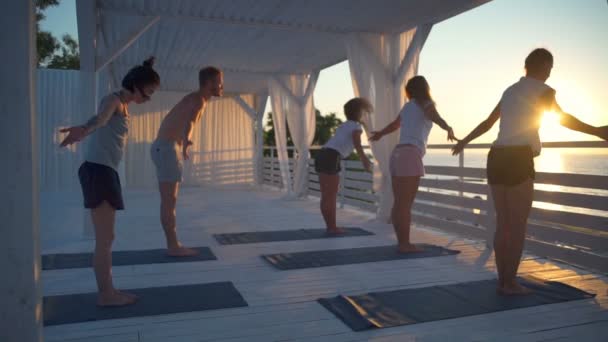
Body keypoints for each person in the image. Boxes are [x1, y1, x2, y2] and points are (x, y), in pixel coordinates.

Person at [452, 48, 608, 295]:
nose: (550, 72)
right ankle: (510, 284)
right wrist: (598, 131)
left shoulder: (511, 90)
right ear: (544, 65)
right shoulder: (543, 90)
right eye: (550, 67)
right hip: (517, 157)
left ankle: (503, 281)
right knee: (517, 225)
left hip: (496, 156)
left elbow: (488, 123)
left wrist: (463, 142)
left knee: (503, 223)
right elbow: (562, 119)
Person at [60, 57, 160, 306]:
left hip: (105, 171)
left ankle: (109, 290)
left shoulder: (123, 105)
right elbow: (101, 119)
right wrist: (82, 129)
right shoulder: (113, 99)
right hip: (99, 171)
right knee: (104, 239)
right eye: (147, 93)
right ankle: (106, 295)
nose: (147, 99)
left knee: (108, 237)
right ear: (134, 85)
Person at [369, 76, 457, 253]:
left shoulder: (408, 106)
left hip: (398, 153)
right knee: (405, 204)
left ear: (409, 90)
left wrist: (380, 133)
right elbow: (434, 116)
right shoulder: (426, 104)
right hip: (409, 154)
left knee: (399, 203)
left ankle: (402, 242)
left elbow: (395, 125)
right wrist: (447, 127)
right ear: (425, 89)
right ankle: (404, 244)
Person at [150, 66, 223, 256]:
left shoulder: (194, 98)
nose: (222, 85)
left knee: (168, 200)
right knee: (169, 201)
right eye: (219, 81)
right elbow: (189, 122)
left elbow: (180, 120)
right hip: (167, 148)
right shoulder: (198, 99)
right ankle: (173, 247)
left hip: (163, 146)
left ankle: (172, 245)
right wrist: (186, 141)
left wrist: (182, 140)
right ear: (209, 83)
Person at [314, 98, 373, 234]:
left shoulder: (344, 125)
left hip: (323, 154)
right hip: (331, 157)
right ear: (359, 112)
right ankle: (332, 228)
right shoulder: (356, 127)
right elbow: (357, 144)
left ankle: (330, 227)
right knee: (331, 196)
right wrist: (364, 159)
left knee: (326, 195)